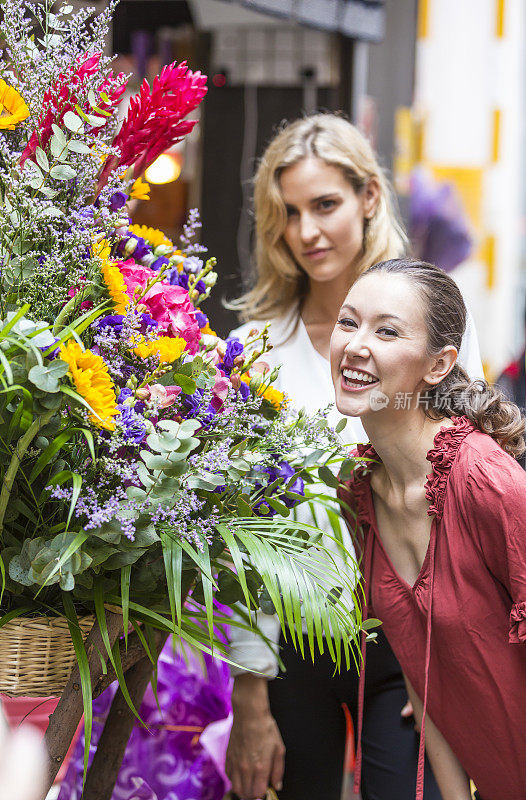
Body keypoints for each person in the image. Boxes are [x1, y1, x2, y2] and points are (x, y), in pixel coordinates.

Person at [226, 114, 484, 800]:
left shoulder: (439, 320)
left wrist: (449, 661)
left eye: (325, 205)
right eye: (289, 213)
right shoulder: (254, 346)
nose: (306, 231)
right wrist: (249, 694)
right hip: (290, 645)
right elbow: (235, 535)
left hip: (408, 647)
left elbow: (460, 493)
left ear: (370, 196)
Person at [333, 258, 526, 800]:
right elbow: (423, 681)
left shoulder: (488, 483)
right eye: (349, 322)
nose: (355, 345)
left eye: (387, 330)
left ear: (439, 364)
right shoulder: (361, 491)